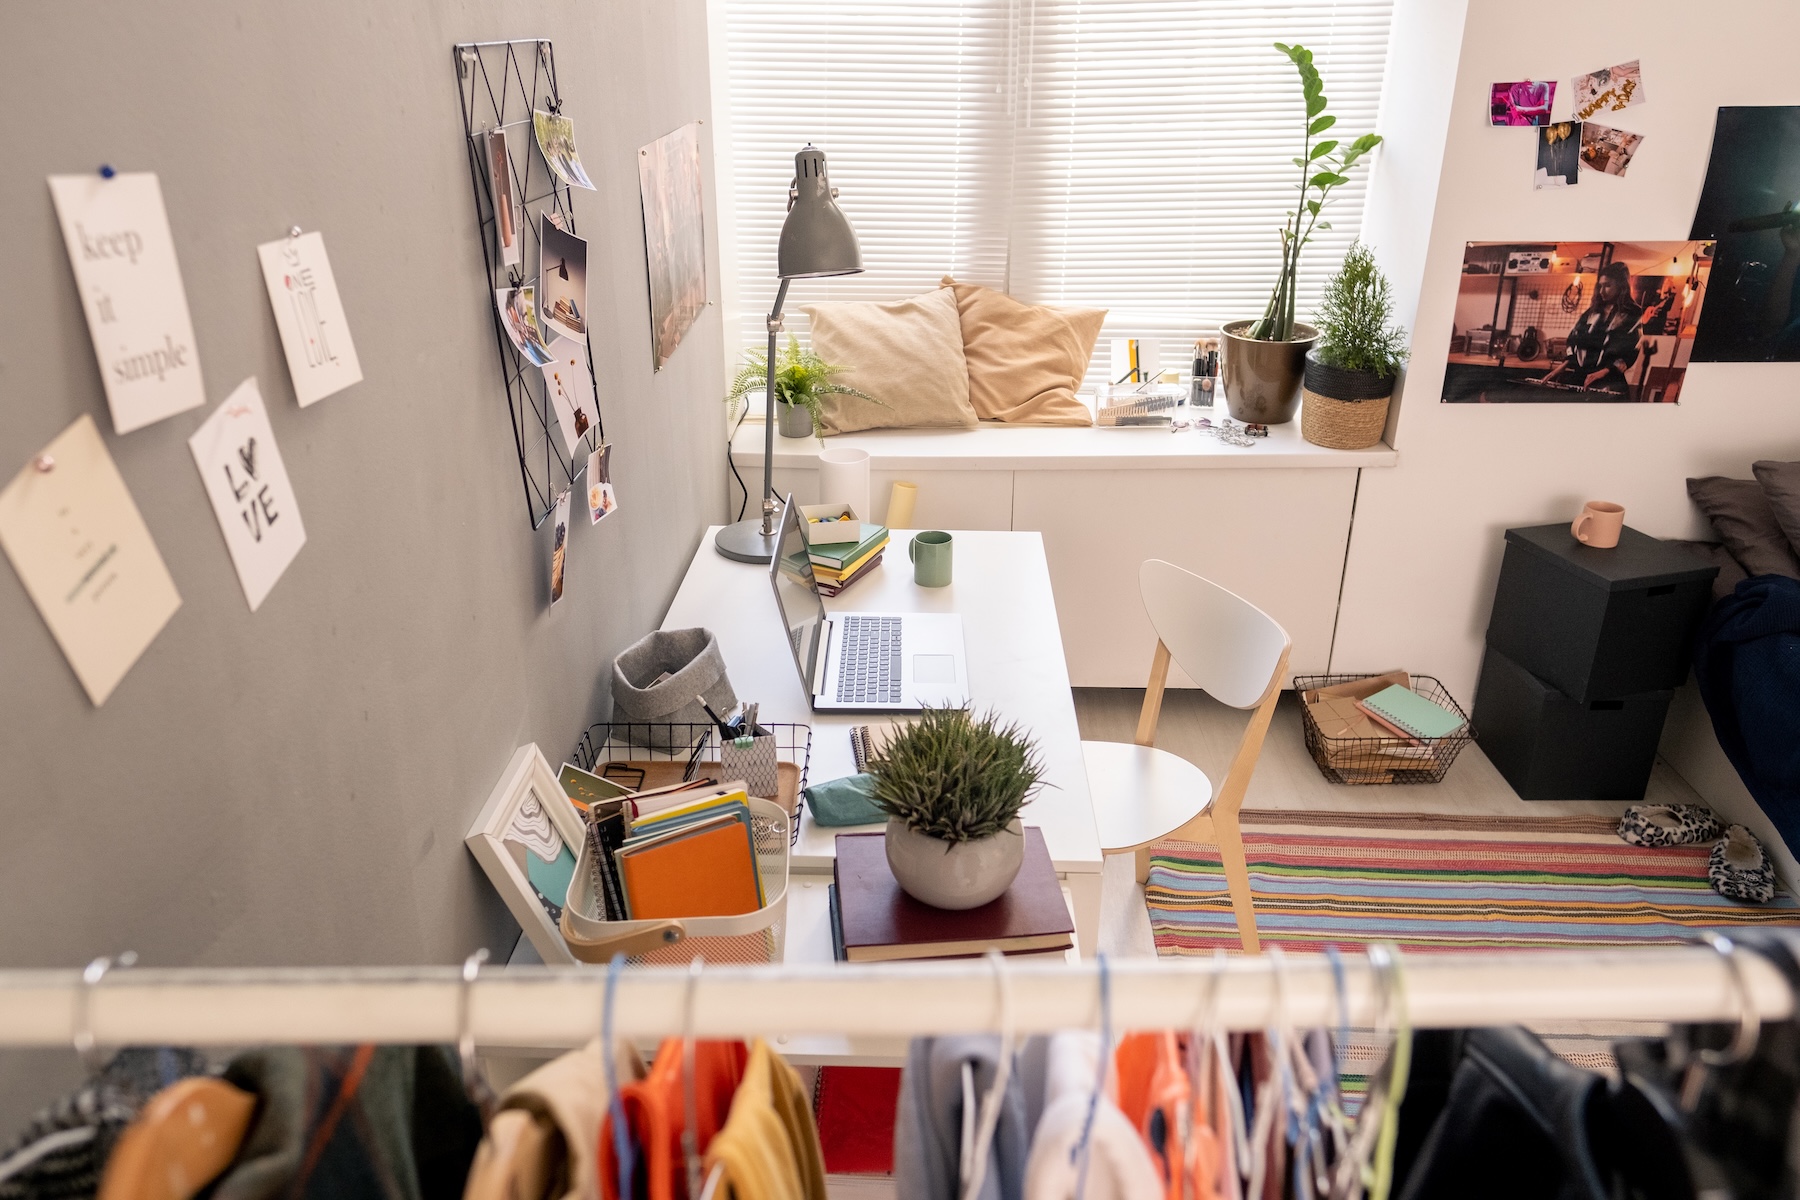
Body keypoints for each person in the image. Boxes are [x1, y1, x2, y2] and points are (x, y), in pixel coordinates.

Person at [1540, 262, 1642, 396]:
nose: (1601, 291)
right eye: (1600, 286)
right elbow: (1574, 339)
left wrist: (1602, 372)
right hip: (1581, 379)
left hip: (1609, 382)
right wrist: (1560, 368)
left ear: (1621, 286)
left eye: (1608, 285)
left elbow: (1631, 351)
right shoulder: (1593, 312)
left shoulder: (1633, 313)